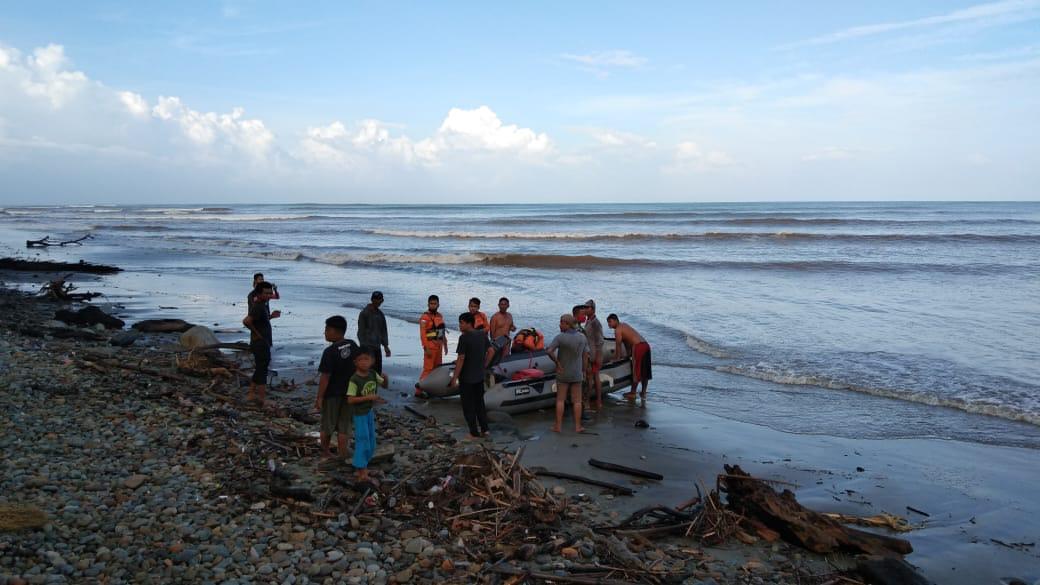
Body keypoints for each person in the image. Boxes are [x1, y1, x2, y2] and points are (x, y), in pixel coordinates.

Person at [315, 316, 359, 460]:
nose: (325, 333)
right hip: (350, 392)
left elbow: (325, 377)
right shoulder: (352, 345)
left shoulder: (330, 352)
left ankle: (326, 452)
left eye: (327, 330)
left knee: (328, 424)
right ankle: (342, 453)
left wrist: (320, 397)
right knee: (344, 426)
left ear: (336, 331)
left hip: (332, 393)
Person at [449, 312, 495, 440]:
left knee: (468, 406)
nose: (459, 325)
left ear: (469, 323)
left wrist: (454, 378)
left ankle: (473, 433)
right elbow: (491, 351)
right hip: (479, 376)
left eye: (461, 323)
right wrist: (484, 365)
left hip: (467, 378)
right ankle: (485, 430)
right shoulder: (482, 334)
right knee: (480, 404)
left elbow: (461, 358)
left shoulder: (464, 338)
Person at [347, 347, 389, 483]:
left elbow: (384, 386)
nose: (364, 362)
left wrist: (385, 379)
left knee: (371, 440)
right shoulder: (354, 379)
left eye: (367, 359)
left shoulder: (372, 374)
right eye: (361, 359)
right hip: (359, 414)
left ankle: (363, 465)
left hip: (368, 412)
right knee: (362, 440)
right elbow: (350, 399)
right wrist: (368, 397)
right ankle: (361, 471)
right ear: (355, 362)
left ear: (372, 361)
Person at [546, 314, 590, 433]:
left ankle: (558, 426)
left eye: (561, 322)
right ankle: (577, 426)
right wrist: (584, 370)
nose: (559, 325)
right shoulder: (582, 337)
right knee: (577, 401)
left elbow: (549, 351)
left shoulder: (560, 337)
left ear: (567, 324)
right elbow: (586, 356)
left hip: (563, 372)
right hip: (577, 373)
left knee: (560, 400)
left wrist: (557, 363)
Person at [242, 282, 280, 406]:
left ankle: (251, 394)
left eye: (270, 293)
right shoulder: (258, 306)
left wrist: (271, 317)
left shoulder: (262, 305)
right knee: (262, 369)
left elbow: (259, 321)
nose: (269, 295)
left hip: (262, 342)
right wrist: (257, 334)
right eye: (266, 293)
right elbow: (247, 321)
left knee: (260, 368)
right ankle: (262, 398)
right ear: (259, 293)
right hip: (260, 343)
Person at [607, 314, 652, 403]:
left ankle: (633, 393)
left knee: (636, 370)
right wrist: (628, 355)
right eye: (608, 322)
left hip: (638, 347)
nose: (609, 324)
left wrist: (617, 359)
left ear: (616, 320)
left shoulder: (618, 330)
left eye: (610, 322)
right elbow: (627, 343)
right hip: (645, 345)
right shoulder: (624, 325)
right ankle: (643, 392)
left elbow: (618, 345)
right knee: (645, 371)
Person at [417, 295, 448, 394]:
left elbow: (441, 331)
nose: (433, 305)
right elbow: (422, 334)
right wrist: (426, 347)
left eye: (435, 304)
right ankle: (418, 391)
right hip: (430, 346)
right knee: (428, 369)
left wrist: (445, 345)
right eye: (431, 304)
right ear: (428, 304)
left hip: (439, 346)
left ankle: (431, 390)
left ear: (438, 304)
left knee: (437, 369)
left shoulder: (440, 316)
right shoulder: (424, 317)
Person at [358, 291, 391, 373]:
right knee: (369, 370)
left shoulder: (380, 314)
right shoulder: (364, 313)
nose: (377, 301)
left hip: (377, 346)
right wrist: (363, 347)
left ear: (382, 301)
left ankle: (375, 385)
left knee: (377, 371)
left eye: (379, 299)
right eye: (375, 299)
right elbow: (360, 331)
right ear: (372, 299)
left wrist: (386, 346)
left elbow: (384, 331)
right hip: (367, 346)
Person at [583, 299, 606, 410]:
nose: (585, 309)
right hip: (590, 353)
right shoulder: (588, 321)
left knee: (593, 378)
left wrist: (598, 356)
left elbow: (600, 341)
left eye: (587, 307)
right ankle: (597, 401)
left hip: (594, 354)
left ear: (592, 309)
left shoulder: (596, 323)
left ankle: (593, 401)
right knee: (593, 377)